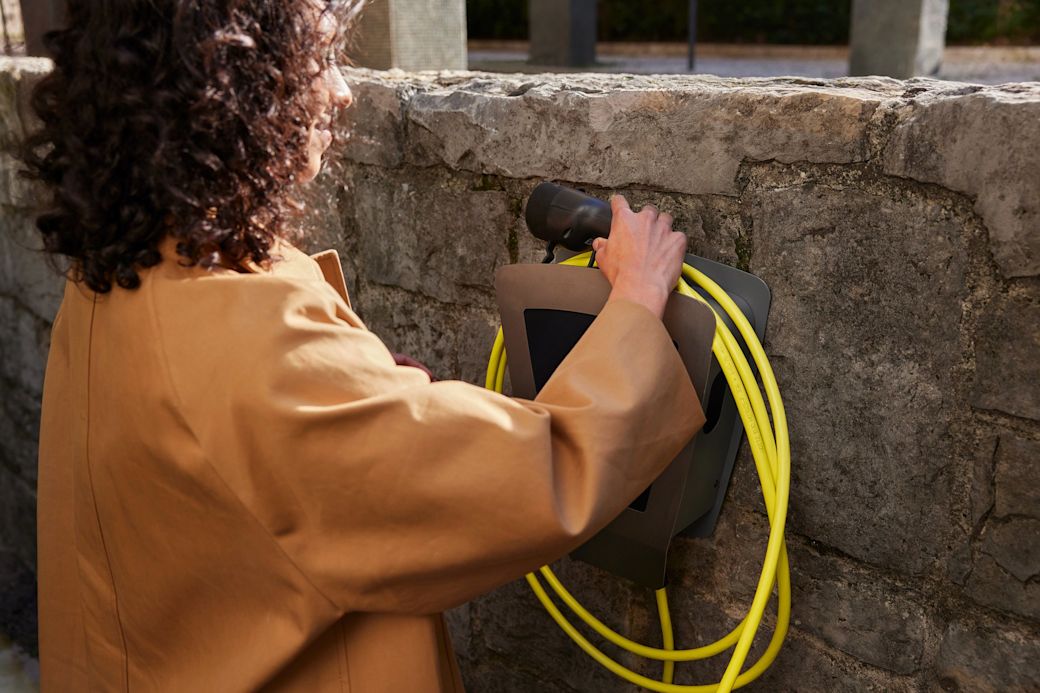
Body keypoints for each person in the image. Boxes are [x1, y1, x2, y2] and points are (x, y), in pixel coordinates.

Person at [23, 1, 704, 690]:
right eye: (318, 60)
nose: (342, 91)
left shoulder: (117, 272)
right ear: (230, 88)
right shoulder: (253, 330)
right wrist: (636, 302)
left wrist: (364, 392)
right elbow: (538, 473)